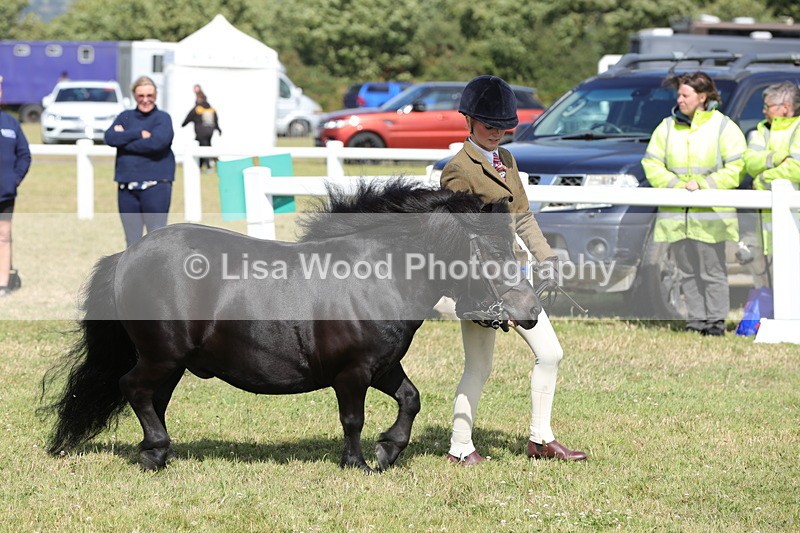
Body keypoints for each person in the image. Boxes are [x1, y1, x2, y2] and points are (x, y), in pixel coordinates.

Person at [440, 75, 586, 465]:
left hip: (513, 278)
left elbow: (522, 217)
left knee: (550, 353)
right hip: (480, 283)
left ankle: (540, 439)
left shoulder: (507, 160)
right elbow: (463, 238)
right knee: (480, 367)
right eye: (490, 127)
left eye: (506, 128)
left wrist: (547, 257)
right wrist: (487, 295)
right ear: (469, 121)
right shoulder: (458, 170)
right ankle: (460, 446)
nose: (498, 135)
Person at [642, 72, 746, 336]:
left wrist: (704, 184)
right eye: (679, 94)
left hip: (711, 218)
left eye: (685, 95)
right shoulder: (666, 127)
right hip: (676, 217)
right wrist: (677, 186)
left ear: (702, 97)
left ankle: (715, 324)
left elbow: (737, 166)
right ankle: (696, 321)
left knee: (712, 272)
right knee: (686, 271)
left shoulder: (723, 126)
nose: (680, 99)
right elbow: (651, 164)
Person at [105, 76, 175, 247]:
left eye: (149, 95)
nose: (145, 100)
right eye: (141, 96)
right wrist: (138, 133)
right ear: (135, 96)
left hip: (155, 187)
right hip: (127, 188)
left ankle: (157, 274)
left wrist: (124, 141)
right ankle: (134, 275)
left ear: (156, 95)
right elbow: (110, 137)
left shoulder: (162, 118)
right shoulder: (125, 116)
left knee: (156, 239)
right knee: (132, 241)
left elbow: (157, 144)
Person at [742, 81, 800, 279]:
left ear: (785, 108)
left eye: (768, 106)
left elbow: (797, 167)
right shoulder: (761, 130)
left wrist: (764, 178)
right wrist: (777, 157)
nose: (763, 110)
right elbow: (750, 161)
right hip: (767, 229)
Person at [0, 75, 31, 296]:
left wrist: (14, 178)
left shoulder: (11, 123)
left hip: (5, 193)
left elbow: (24, 155)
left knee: (4, 236)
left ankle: (3, 283)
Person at [181, 86, 221, 172]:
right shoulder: (211, 109)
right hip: (210, 132)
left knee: (204, 149)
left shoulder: (197, 109)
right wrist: (218, 129)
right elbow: (216, 120)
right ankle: (201, 166)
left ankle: (209, 167)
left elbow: (189, 117)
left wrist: (183, 124)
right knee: (206, 147)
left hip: (201, 132)